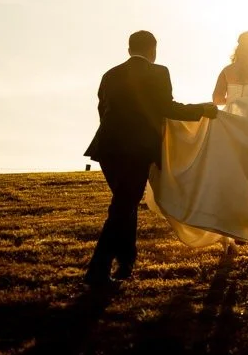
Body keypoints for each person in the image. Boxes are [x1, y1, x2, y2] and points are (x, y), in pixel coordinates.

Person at [144, 31, 248, 248]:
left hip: (230, 123)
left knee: (229, 175)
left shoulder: (228, 71)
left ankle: (227, 231)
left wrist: (234, 98)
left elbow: (217, 99)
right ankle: (247, 224)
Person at [83, 30, 218, 286]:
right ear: (153, 50)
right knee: (122, 207)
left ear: (129, 49)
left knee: (125, 204)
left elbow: (102, 108)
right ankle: (97, 271)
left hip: (107, 149)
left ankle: (126, 262)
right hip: (136, 150)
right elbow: (167, 107)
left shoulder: (110, 74)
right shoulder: (158, 72)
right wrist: (202, 110)